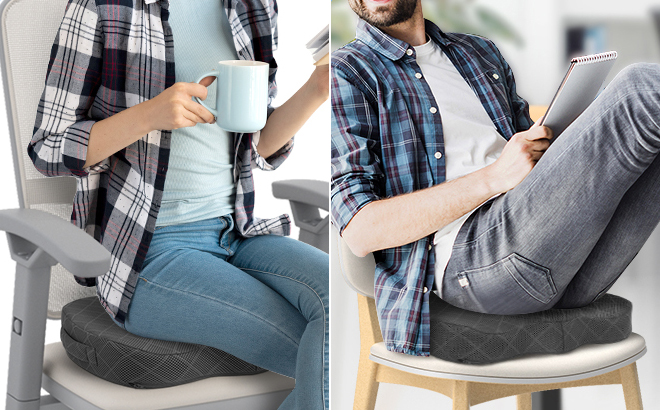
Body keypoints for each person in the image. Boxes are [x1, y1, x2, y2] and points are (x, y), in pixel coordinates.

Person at [28, 0, 329, 408]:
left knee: (343, 310)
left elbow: (252, 142)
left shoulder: (252, 6)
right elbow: (47, 148)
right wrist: (149, 115)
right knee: (338, 350)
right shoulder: (103, 7)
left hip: (237, 232)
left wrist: (317, 90)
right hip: (152, 255)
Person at [331, 0, 660, 357]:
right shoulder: (349, 71)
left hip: (564, 261)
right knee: (642, 87)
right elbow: (362, 231)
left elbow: (528, 154)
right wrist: (493, 178)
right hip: (475, 266)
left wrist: (570, 141)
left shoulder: (479, 53)